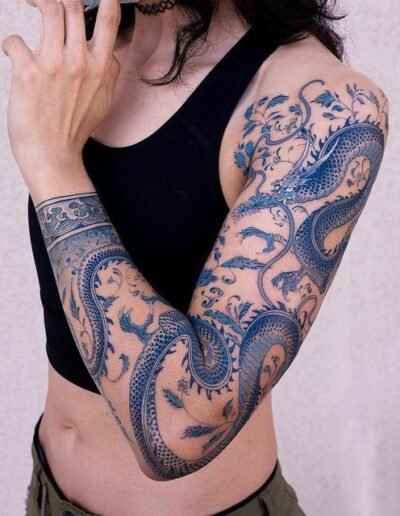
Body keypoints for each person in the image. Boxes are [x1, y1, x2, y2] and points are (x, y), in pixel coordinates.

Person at [1, 0, 389, 514]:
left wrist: (52, 165)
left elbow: (183, 424)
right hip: (46, 493)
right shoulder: (90, 48)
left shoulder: (322, 108)